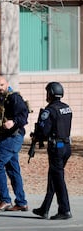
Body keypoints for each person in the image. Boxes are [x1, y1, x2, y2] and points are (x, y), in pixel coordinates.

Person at [32, 82, 72, 220]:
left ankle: (64, 209)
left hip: (57, 148)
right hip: (67, 146)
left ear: (50, 93)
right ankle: (45, 208)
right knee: (54, 177)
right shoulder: (67, 108)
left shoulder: (50, 110)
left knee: (58, 178)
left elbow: (44, 131)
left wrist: (37, 135)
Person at [0, 76, 29, 212]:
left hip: (12, 137)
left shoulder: (14, 98)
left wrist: (13, 122)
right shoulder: (2, 98)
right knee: (13, 169)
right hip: (8, 137)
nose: (0, 88)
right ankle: (21, 202)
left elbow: (23, 115)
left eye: (2, 85)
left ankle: (5, 200)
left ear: (7, 84)